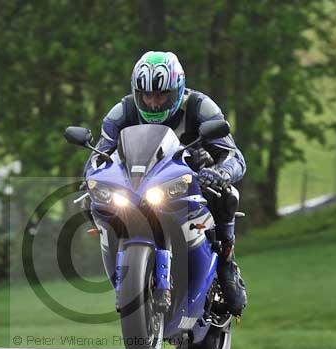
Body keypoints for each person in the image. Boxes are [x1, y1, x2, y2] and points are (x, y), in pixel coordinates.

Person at [83, 50, 248, 317]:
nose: (154, 103)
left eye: (161, 95)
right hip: (137, 183)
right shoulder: (122, 111)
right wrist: (92, 177)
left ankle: (226, 264)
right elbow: (98, 156)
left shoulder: (200, 106)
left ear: (177, 89)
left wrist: (220, 172)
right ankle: (116, 253)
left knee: (227, 195)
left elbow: (233, 155)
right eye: (147, 95)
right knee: (91, 197)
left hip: (191, 182)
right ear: (137, 92)